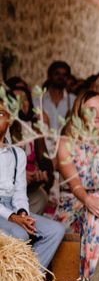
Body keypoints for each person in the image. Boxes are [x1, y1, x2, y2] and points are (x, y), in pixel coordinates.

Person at [0, 97, 65, 270]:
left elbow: (20, 193)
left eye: (0, 114)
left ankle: (28, 280)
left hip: (11, 208)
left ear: (10, 119)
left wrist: (22, 213)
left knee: (55, 231)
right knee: (20, 234)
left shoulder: (17, 154)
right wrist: (13, 218)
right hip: (3, 213)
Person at [55, 90, 99, 278]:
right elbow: (75, 184)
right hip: (74, 204)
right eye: (92, 110)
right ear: (80, 114)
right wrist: (89, 200)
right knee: (95, 215)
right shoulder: (66, 143)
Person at [5, 78, 54, 214]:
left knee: (41, 196)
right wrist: (19, 176)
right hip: (6, 190)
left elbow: (45, 160)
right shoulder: (5, 128)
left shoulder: (34, 127)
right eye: (18, 101)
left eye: (26, 100)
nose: (24, 105)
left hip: (28, 189)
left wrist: (41, 174)